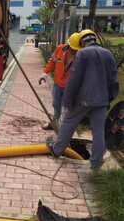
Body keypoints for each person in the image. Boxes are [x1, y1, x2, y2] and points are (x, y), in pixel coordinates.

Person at [46, 29, 119, 170]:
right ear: (95, 39)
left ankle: (57, 149)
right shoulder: (108, 54)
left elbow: (74, 78)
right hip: (101, 100)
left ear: (82, 42)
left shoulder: (82, 53)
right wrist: (110, 98)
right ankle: (96, 162)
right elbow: (114, 80)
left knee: (68, 122)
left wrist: (67, 101)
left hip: (82, 99)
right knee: (98, 131)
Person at [39, 32, 80, 130]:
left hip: (70, 87)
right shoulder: (60, 49)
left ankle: (66, 128)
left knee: (68, 108)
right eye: (73, 49)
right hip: (58, 84)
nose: (74, 51)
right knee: (56, 104)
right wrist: (45, 73)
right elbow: (52, 62)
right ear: (68, 45)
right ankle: (55, 123)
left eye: (76, 49)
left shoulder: (81, 56)